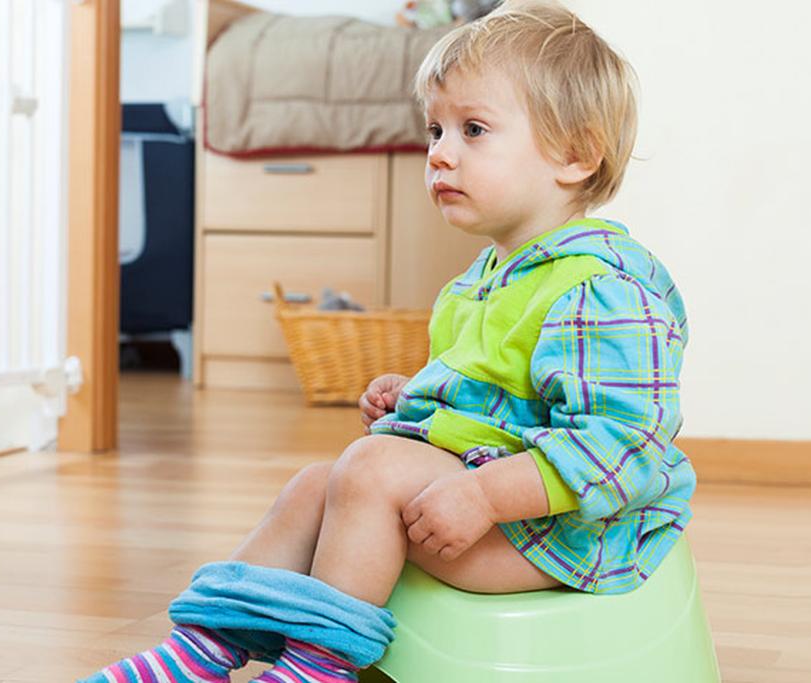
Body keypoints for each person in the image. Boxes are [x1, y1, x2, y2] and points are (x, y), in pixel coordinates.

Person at [79, 2, 696, 681]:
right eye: (436, 129)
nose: (439, 151)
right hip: (502, 511)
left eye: (474, 129)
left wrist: (486, 494)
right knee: (317, 483)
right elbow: (494, 405)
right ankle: (201, 648)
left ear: (575, 154)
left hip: (569, 535)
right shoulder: (479, 283)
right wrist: (416, 403)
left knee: (369, 469)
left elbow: (625, 447)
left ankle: (320, 664)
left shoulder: (600, 289)